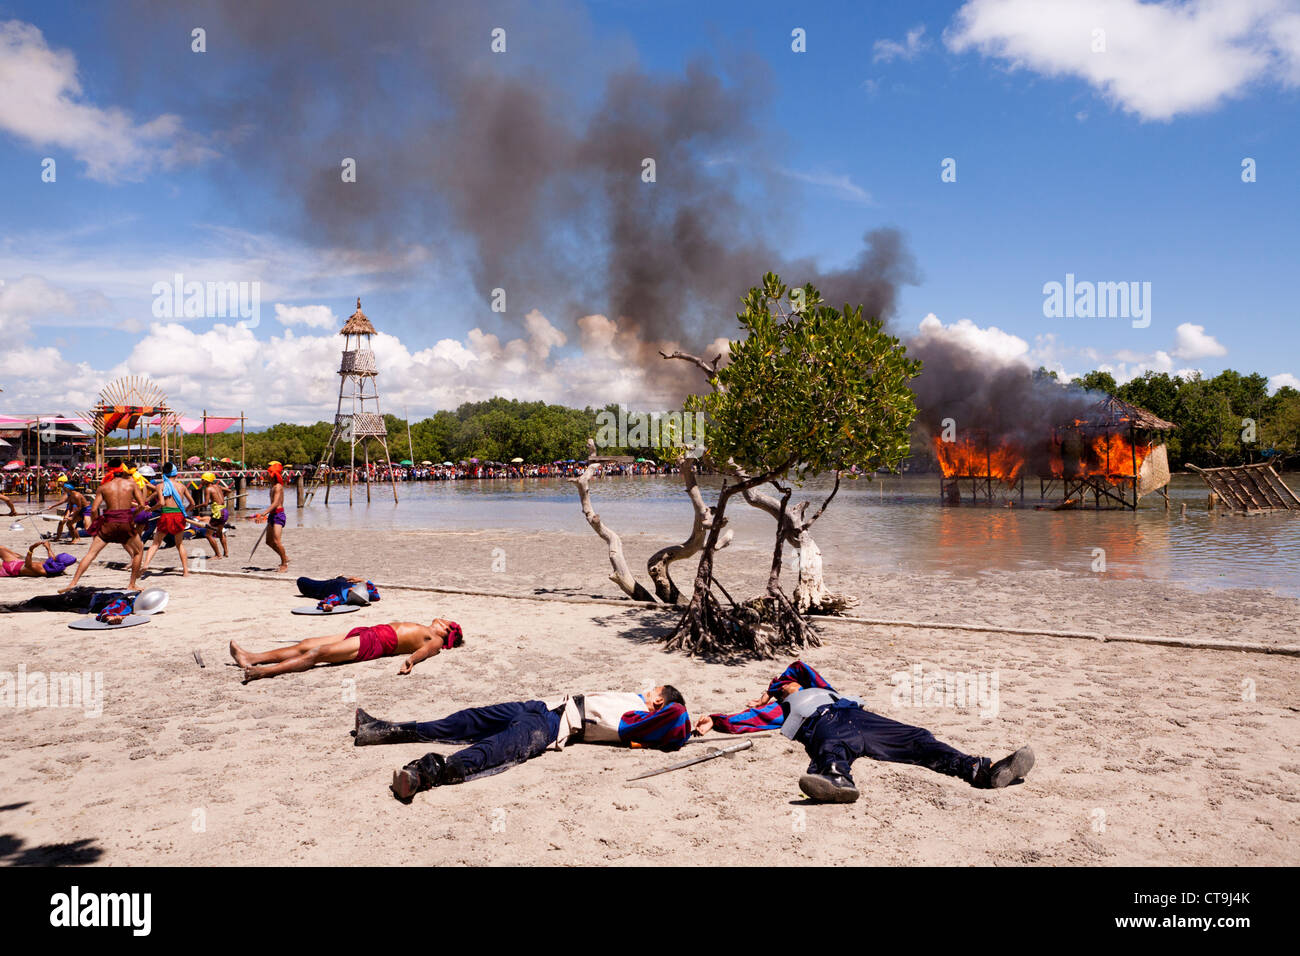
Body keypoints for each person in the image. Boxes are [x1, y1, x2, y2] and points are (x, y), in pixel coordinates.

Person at [695, 661, 1034, 803]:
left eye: (789, 684)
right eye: (784, 686)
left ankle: (982, 771)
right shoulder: (779, 710)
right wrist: (715, 719)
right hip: (822, 724)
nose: (790, 684)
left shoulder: (828, 690)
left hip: (861, 718)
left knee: (917, 737)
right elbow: (744, 721)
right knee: (833, 747)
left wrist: (772, 686)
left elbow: (798, 665)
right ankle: (836, 781)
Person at [355, 684, 693, 801]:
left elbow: (678, 720)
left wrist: (706, 722)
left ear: (659, 703)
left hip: (550, 726)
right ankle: (383, 730)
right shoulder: (635, 703)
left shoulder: (641, 720)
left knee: (493, 751)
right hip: (539, 706)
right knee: (464, 720)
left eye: (653, 691)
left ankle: (423, 775)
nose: (646, 691)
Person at [229, 618, 463, 682]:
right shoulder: (427, 628)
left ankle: (264, 672)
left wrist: (411, 660)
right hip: (371, 631)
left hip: (377, 643)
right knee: (307, 643)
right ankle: (251, 657)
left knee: (318, 654)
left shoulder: (436, 640)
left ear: (447, 630)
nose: (441, 618)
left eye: (447, 621)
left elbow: (426, 652)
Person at [59, 466, 151, 592]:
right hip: (125, 522)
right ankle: (132, 584)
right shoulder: (131, 484)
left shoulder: (103, 487)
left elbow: (93, 510)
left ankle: (73, 583)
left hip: (108, 523)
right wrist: (132, 515)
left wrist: (96, 524)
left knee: (91, 554)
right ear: (123, 473)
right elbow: (141, 505)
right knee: (139, 551)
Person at [140, 462, 197, 577]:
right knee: (179, 544)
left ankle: (146, 564)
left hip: (166, 515)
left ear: (164, 473)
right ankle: (185, 571)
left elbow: (161, 503)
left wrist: (150, 509)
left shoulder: (160, 486)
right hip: (179, 516)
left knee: (156, 543)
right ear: (176, 474)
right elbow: (193, 504)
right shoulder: (182, 486)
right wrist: (184, 511)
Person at [252, 461, 289, 572]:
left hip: (278, 515)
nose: (266, 475)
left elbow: (276, 503)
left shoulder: (278, 487)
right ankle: (285, 557)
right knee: (269, 541)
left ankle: (284, 564)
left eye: (268, 473)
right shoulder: (272, 486)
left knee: (277, 541)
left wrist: (263, 514)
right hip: (273, 515)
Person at [41, 475, 90, 541]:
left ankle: (75, 537)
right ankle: (69, 538)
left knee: (85, 527)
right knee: (65, 522)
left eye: (60, 482)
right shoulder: (68, 492)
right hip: (74, 507)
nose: (58, 483)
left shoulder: (74, 493)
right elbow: (69, 505)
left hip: (81, 508)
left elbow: (74, 505)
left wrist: (72, 515)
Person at [197, 472, 231, 559]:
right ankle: (226, 552)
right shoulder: (218, 486)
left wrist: (195, 506)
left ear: (207, 480)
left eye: (203, 479)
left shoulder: (208, 489)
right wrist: (223, 497)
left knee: (208, 535)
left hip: (218, 513)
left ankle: (218, 555)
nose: (201, 481)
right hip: (224, 511)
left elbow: (205, 504)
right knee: (219, 533)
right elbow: (229, 490)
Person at [0, 541, 77, 577]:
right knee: (1, 548)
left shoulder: (43, 571)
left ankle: (16, 555)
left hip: (11, 568)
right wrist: (48, 548)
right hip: (18, 562)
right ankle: (15, 555)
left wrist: (31, 550)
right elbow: (52, 558)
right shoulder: (56, 566)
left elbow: (28, 565)